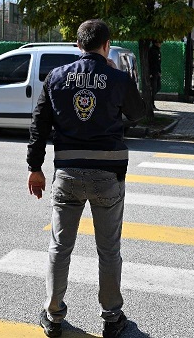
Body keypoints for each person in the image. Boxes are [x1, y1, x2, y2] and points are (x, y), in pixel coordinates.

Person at [27, 19, 146, 338]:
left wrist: (35, 167)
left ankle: (53, 315)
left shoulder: (56, 77)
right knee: (108, 250)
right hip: (108, 176)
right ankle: (111, 318)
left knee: (60, 246)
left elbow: (39, 125)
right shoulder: (117, 77)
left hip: (67, 173)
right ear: (106, 45)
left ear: (77, 45)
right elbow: (138, 113)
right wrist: (117, 77)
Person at [148, 40, 162, 110]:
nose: (160, 44)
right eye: (159, 42)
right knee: (153, 88)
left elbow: (158, 63)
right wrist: (150, 73)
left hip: (156, 72)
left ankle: (151, 101)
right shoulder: (152, 50)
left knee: (158, 87)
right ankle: (151, 104)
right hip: (153, 72)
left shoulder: (158, 51)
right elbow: (150, 62)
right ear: (156, 43)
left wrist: (159, 71)